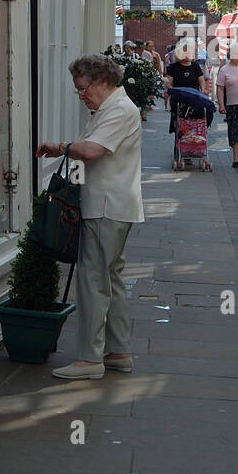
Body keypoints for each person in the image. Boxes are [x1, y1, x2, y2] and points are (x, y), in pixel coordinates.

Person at [34, 53, 143, 380]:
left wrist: (59, 146)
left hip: (106, 206)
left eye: (84, 89)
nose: (81, 96)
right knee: (110, 278)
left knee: (92, 280)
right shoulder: (110, 108)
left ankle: (89, 359)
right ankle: (118, 351)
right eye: (78, 90)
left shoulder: (118, 110)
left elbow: (93, 150)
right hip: (112, 204)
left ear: (102, 81)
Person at [166, 40, 209, 132]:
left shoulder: (195, 66)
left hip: (194, 98)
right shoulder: (173, 67)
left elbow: (201, 79)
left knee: (196, 122)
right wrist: (173, 91)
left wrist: (203, 89)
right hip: (179, 99)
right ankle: (180, 144)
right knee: (181, 126)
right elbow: (168, 83)